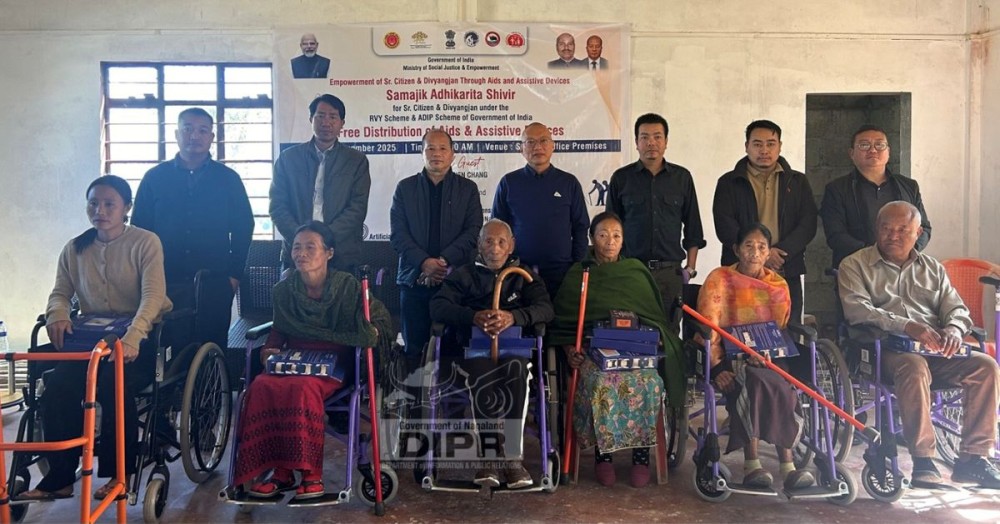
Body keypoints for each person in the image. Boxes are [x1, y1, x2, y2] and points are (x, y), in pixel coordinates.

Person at [19, 175, 173, 501]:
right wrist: (57, 315)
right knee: (58, 384)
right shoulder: (75, 248)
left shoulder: (146, 243)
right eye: (93, 203)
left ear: (126, 208)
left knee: (111, 384)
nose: (99, 210)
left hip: (138, 339)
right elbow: (60, 293)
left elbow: (153, 297)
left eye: (109, 204)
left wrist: (132, 337)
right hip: (91, 343)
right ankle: (60, 476)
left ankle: (119, 473)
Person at [838, 201, 1000, 488]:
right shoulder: (855, 264)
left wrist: (953, 328)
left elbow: (957, 309)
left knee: (986, 366)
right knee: (913, 366)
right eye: (886, 228)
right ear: (877, 229)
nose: (893, 235)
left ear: (918, 232)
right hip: (885, 352)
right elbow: (857, 310)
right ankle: (923, 460)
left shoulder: (933, 268)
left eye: (903, 229)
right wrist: (907, 326)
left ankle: (973, 459)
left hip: (934, 351)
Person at [234, 221, 392, 500]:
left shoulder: (347, 287)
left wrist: (372, 330)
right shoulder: (284, 290)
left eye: (310, 247)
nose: (301, 253)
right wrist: (270, 350)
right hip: (292, 358)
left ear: (328, 253)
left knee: (302, 388)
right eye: (296, 247)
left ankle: (309, 474)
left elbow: (377, 320)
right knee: (260, 386)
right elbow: (278, 330)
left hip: (336, 361)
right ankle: (279, 472)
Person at [550, 211, 682, 488]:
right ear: (591, 239)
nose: (610, 241)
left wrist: (653, 340)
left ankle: (641, 455)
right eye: (602, 235)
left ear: (623, 241)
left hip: (635, 353)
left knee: (649, 382)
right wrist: (568, 350)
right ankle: (604, 455)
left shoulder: (634, 272)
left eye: (616, 236)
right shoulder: (580, 273)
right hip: (593, 355)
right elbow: (562, 323)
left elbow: (654, 319)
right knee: (602, 382)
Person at [429, 219, 555, 489]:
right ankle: (487, 458)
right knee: (481, 374)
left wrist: (515, 317)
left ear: (511, 246)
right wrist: (471, 316)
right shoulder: (463, 275)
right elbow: (438, 307)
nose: (494, 248)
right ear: (478, 245)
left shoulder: (524, 276)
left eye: (501, 242)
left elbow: (546, 309)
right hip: (474, 354)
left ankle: (512, 459)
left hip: (514, 353)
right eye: (488, 241)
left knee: (517, 372)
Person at [697, 222, 815, 491]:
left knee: (784, 386)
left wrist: (768, 354)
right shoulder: (719, 279)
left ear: (768, 252)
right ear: (736, 249)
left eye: (762, 247)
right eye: (748, 245)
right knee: (755, 383)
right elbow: (708, 327)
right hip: (732, 356)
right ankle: (753, 464)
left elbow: (781, 327)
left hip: (771, 357)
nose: (755, 251)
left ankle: (789, 467)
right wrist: (715, 368)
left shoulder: (778, 285)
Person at [132, 107, 254, 348]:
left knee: (211, 344)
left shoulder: (228, 179)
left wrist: (234, 275)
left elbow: (243, 227)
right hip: (163, 278)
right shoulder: (154, 178)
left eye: (202, 130)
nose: (194, 136)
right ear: (177, 134)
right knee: (163, 345)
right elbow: (139, 229)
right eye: (187, 129)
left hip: (214, 279)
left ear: (211, 137)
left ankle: (211, 387)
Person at [390, 128, 482, 374]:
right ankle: (413, 404)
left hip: (455, 282)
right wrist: (424, 263)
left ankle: (450, 404)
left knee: (454, 348)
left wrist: (441, 262)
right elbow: (398, 235)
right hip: (414, 279)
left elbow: (473, 232)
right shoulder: (405, 189)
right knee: (414, 349)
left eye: (443, 148)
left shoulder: (468, 189)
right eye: (430, 148)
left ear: (453, 155)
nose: (436, 153)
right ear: (422, 153)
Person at [606, 113, 706, 333]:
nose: (651, 142)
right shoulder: (621, 179)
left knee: (668, 334)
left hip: (669, 273)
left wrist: (690, 268)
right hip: (632, 269)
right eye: (645, 137)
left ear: (666, 141)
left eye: (657, 137)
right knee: (630, 331)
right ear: (636, 142)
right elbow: (610, 229)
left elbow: (693, 227)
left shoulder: (682, 178)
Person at [712, 120, 817, 325]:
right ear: (746, 146)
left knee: (789, 330)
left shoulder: (797, 182)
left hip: (786, 268)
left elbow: (808, 223)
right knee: (740, 332)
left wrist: (778, 253)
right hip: (741, 271)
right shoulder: (729, 182)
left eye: (771, 144)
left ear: (779, 146)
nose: (764, 150)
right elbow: (724, 225)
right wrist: (758, 254)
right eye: (757, 144)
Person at [270, 94, 371, 273]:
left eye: (333, 117)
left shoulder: (356, 161)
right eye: (320, 116)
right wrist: (302, 242)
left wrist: (325, 241)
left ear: (342, 123)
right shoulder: (288, 159)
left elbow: (357, 208)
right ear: (311, 119)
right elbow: (278, 205)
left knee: (343, 301)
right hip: (297, 256)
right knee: (293, 300)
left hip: (341, 254)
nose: (326, 122)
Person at [491, 122, 589, 301]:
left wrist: (577, 265)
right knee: (523, 322)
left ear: (553, 146)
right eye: (530, 142)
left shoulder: (568, 183)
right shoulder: (509, 183)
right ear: (521, 149)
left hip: (561, 272)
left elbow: (581, 227)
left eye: (543, 140)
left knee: (560, 323)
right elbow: (497, 228)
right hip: (519, 271)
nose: (537, 147)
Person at [820, 124, 932, 268]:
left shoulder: (909, 186)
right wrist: (875, 256)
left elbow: (924, 228)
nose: (873, 150)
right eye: (864, 145)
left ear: (888, 152)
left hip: (904, 267)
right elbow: (836, 235)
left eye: (879, 145)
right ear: (851, 153)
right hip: (857, 267)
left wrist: (905, 252)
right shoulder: (837, 189)